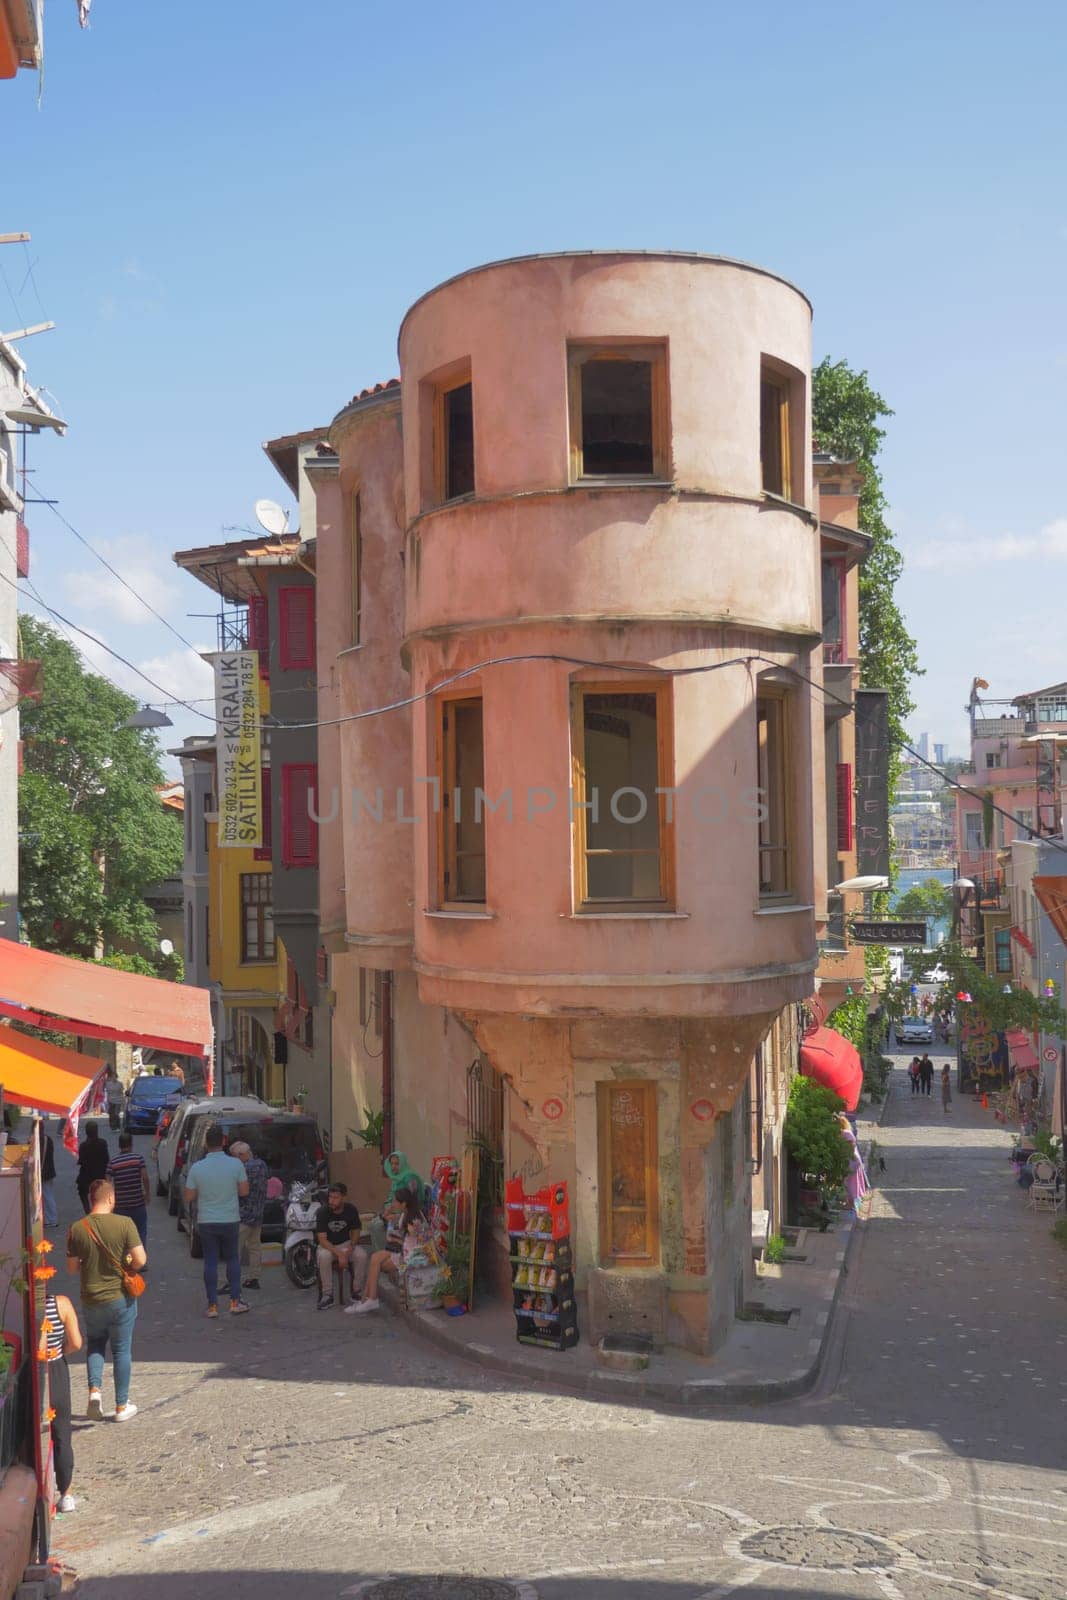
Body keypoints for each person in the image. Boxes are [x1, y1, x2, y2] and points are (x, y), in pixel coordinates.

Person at [66, 1178, 146, 1422]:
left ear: (91, 1200)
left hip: (91, 1298)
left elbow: (71, 1268)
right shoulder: (125, 1224)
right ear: (110, 1198)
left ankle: (94, 1392)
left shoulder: (77, 1228)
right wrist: (128, 1263)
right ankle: (121, 1406)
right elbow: (141, 1260)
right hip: (120, 1298)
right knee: (122, 1350)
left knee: (96, 1343)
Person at [183, 1124, 250, 1317]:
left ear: (205, 1143)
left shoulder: (197, 1168)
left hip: (207, 1220)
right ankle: (235, 1302)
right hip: (230, 1218)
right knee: (232, 1259)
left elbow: (188, 1196)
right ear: (223, 1141)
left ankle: (212, 1306)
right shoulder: (236, 1164)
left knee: (210, 1261)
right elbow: (244, 1191)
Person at [347, 1190, 428, 1315]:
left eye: (395, 1201)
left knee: (375, 1261)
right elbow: (395, 1237)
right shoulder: (404, 1215)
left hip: (411, 1256)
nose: (393, 1203)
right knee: (375, 1259)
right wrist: (388, 1218)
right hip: (403, 1250)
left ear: (404, 1203)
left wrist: (394, 1232)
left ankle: (369, 1300)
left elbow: (414, 1243)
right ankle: (366, 1300)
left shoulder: (415, 1219)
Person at [39, 1284, 82, 1512]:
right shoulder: (61, 1304)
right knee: (62, 1433)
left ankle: (39, 1487)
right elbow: (76, 1342)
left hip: (34, 1372)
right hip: (56, 1369)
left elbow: (38, 1345)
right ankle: (66, 1493)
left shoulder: (25, 1309)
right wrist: (59, 1350)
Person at [315, 1182, 367, 1310]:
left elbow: (356, 1231)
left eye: (336, 1197)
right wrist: (340, 1254)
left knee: (362, 1255)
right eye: (330, 1197)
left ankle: (356, 1291)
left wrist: (351, 1247)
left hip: (345, 1243)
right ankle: (327, 1295)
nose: (332, 1201)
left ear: (344, 1197)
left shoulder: (351, 1209)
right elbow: (322, 1239)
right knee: (324, 1256)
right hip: (328, 1246)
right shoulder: (322, 1212)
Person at [228, 1141, 268, 1293]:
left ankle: (232, 1281)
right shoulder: (262, 1165)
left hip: (243, 1214)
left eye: (234, 1156)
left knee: (234, 1249)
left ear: (241, 1155)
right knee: (255, 1247)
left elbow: (239, 1190)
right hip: (258, 1212)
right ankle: (254, 1277)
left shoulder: (243, 1168)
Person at [107, 1131, 150, 1249]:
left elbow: (107, 1183)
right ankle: (140, 1261)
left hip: (120, 1206)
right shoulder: (138, 1159)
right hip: (138, 1203)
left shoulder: (113, 1162)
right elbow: (145, 1177)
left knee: (123, 1235)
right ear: (131, 1144)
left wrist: (109, 1201)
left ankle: (126, 1262)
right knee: (140, 1232)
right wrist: (147, 1194)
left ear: (119, 1145)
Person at [838, 1113, 870, 1217]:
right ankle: (851, 1203)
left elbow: (851, 1145)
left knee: (849, 1182)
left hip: (852, 1161)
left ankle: (851, 1204)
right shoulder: (846, 1132)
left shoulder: (846, 1133)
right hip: (852, 1160)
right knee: (850, 1182)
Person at [76, 1123, 110, 1214]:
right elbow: (107, 1159)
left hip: (87, 1175)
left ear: (86, 1133)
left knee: (82, 1192)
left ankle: (88, 1211)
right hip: (100, 1174)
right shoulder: (102, 1143)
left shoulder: (83, 1145)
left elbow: (81, 1161)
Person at [41, 1127, 58, 1229]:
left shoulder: (38, 1140)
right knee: (48, 1195)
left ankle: (51, 1219)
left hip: (43, 1173)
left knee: (46, 1196)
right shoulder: (48, 1139)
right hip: (50, 1171)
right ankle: (50, 1219)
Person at [104, 1068, 124, 1132]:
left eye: (115, 1077)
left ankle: (117, 1126)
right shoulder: (108, 1084)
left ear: (117, 1077)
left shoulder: (120, 1084)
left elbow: (121, 1092)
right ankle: (113, 1127)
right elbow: (106, 1091)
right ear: (111, 1077)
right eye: (113, 1077)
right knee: (111, 1114)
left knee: (116, 1114)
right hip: (110, 1101)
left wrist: (123, 1101)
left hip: (118, 1101)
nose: (114, 1078)